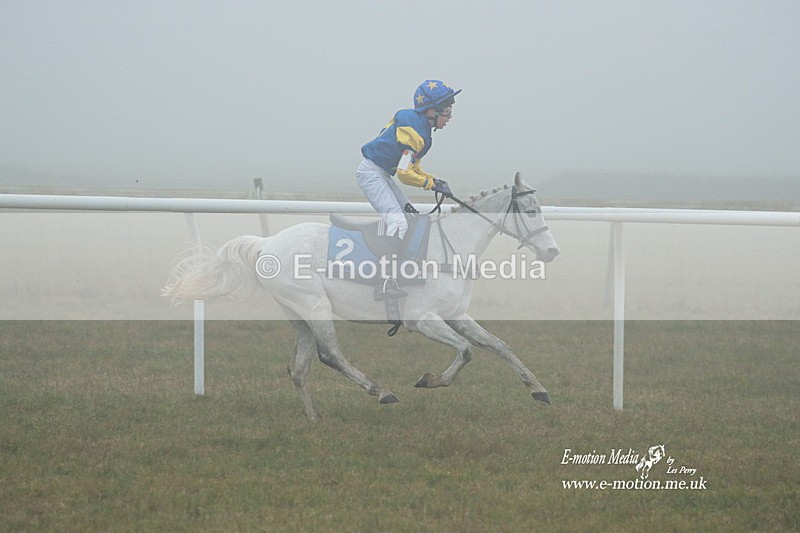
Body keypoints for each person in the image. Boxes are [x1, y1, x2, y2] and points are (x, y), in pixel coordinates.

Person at [357, 80, 460, 241]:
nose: (450, 117)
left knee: (411, 216)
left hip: (382, 175)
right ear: (431, 112)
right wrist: (430, 185)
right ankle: (385, 265)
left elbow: (413, 167)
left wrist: (434, 180)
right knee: (398, 223)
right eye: (447, 111)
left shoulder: (421, 130)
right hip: (371, 174)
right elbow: (404, 174)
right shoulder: (414, 132)